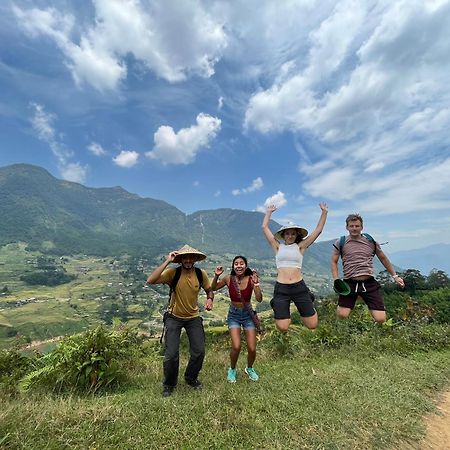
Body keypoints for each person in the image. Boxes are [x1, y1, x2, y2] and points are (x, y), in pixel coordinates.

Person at [147, 244, 214, 397]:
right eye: (185, 257)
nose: (188, 260)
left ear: (195, 259)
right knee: (171, 354)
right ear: (181, 259)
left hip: (193, 318)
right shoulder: (173, 273)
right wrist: (167, 261)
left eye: (191, 257)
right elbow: (151, 280)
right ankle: (169, 384)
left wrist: (210, 299)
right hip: (173, 318)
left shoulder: (200, 273)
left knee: (199, 351)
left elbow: (209, 289)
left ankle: (191, 378)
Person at [262, 203, 328, 332]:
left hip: (299, 287)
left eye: (293, 234)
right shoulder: (277, 246)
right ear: (283, 235)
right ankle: (277, 304)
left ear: (297, 235)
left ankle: (308, 297)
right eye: (287, 233)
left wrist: (324, 212)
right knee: (282, 327)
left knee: (312, 325)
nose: (290, 236)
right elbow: (264, 227)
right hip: (281, 288)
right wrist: (269, 212)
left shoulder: (301, 246)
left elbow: (318, 231)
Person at [331, 213, 405, 323]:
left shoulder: (371, 242)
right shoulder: (341, 242)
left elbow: (383, 258)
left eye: (357, 226)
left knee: (380, 319)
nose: (354, 228)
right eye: (351, 226)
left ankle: (372, 333)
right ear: (347, 227)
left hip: (369, 282)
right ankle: (349, 331)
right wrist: (336, 279)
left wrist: (395, 276)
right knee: (342, 316)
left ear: (362, 227)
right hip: (349, 283)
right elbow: (334, 261)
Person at [211, 256, 263, 383]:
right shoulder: (229, 278)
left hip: (248, 315)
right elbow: (213, 287)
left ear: (246, 266)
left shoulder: (251, 279)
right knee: (236, 346)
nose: (239, 266)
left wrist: (256, 284)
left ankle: (249, 368)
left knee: (252, 348)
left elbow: (259, 299)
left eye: (241, 263)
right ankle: (232, 369)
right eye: (236, 264)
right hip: (233, 315)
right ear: (233, 266)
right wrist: (217, 276)